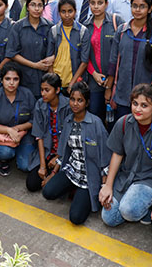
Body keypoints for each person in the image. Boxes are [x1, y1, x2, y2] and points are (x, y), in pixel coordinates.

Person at [100, 83, 152, 228]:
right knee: (109, 218)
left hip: (151, 180)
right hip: (127, 176)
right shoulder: (124, 123)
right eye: (135, 103)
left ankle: (149, 206)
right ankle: (137, 205)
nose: (138, 109)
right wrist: (108, 185)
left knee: (128, 210)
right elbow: (117, 154)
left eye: (144, 105)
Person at [42, 82, 110, 225]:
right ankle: (72, 189)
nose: (75, 104)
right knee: (48, 192)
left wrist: (104, 186)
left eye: (80, 100)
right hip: (72, 171)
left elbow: (105, 158)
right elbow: (65, 152)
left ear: (87, 103)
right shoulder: (68, 121)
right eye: (72, 99)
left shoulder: (96, 123)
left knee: (76, 218)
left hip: (89, 178)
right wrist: (53, 173)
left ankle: (81, 193)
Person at [107, 0, 152, 120]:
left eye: (142, 6)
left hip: (145, 96)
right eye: (134, 6)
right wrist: (109, 88)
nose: (138, 10)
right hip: (122, 93)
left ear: (150, 9)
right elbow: (113, 61)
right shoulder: (122, 30)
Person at [0, 62, 36, 176]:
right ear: (2, 80)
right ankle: (4, 161)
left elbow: (34, 120)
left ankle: (21, 151)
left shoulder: (27, 94)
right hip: (5, 135)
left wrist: (17, 129)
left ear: (20, 80)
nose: (11, 83)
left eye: (15, 79)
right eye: (7, 79)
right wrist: (9, 131)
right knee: (5, 153)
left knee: (26, 166)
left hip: (24, 133)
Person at [83, 0, 125, 121]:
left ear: (106, 4)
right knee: (95, 115)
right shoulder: (85, 26)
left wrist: (111, 79)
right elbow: (84, 55)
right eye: (93, 3)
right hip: (94, 81)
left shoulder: (116, 22)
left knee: (115, 119)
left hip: (115, 80)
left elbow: (121, 52)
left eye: (100, 3)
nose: (96, 6)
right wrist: (93, 73)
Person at [26, 73, 71, 192]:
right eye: (41, 90)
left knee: (50, 189)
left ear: (57, 90)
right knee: (31, 184)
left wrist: (58, 158)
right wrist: (42, 166)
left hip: (65, 153)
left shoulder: (68, 106)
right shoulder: (40, 105)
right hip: (47, 151)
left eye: (47, 90)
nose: (43, 94)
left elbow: (69, 139)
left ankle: (56, 173)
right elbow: (39, 136)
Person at [7, 0, 54, 98]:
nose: (36, 9)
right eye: (33, 5)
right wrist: (34, 65)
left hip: (44, 79)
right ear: (27, 7)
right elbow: (12, 53)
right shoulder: (18, 27)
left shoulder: (49, 27)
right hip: (24, 77)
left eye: (40, 5)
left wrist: (52, 57)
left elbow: (56, 49)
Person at [47, 0, 90, 91]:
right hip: (57, 81)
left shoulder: (82, 31)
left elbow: (84, 61)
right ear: (59, 13)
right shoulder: (53, 31)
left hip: (75, 82)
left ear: (75, 12)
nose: (67, 15)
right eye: (63, 11)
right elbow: (49, 59)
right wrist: (53, 81)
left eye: (70, 11)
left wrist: (72, 84)